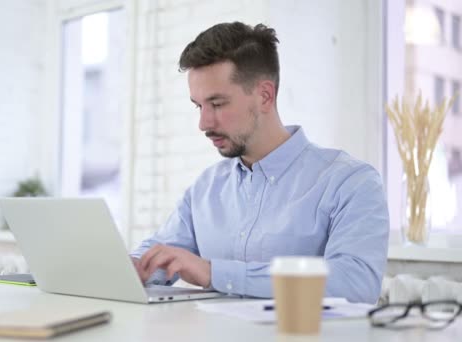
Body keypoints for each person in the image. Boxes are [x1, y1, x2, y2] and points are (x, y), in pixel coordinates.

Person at [129, 22, 389, 304]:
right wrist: (130, 266)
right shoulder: (206, 188)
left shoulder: (350, 182)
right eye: (198, 106)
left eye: (217, 104)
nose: (204, 123)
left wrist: (214, 273)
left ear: (265, 95)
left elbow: (355, 283)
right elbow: (162, 253)